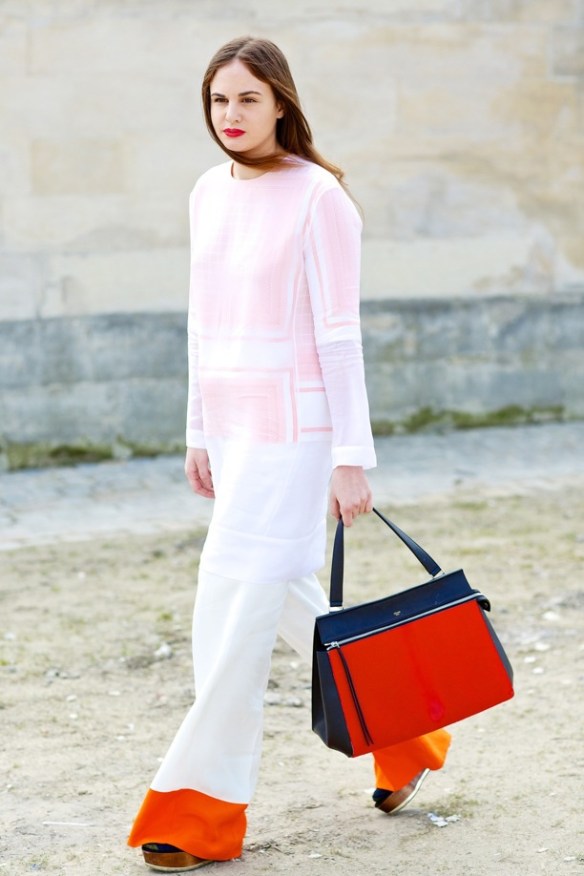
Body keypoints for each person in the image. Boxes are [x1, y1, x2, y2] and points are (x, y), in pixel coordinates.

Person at [127, 36, 450, 872]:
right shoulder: (207, 191)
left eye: (246, 100)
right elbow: (204, 318)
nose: (230, 117)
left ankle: (196, 811)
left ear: (281, 104)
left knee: (228, 613)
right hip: (233, 435)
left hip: (298, 437)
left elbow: (339, 336)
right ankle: (405, 737)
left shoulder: (321, 199)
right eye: (217, 101)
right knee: (284, 602)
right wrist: (197, 428)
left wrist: (351, 455)